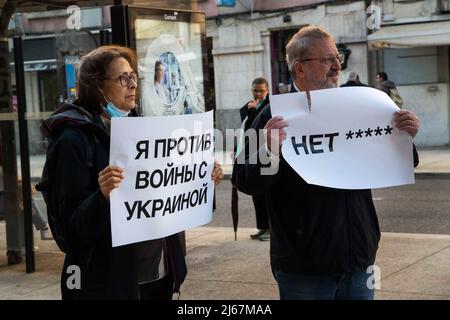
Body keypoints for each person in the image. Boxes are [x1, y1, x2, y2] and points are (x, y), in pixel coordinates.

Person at [232, 25, 420, 300]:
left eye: (337, 58)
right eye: (326, 60)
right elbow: (244, 179)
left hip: (359, 259)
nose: (336, 66)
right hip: (304, 269)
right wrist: (269, 150)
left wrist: (406, 137)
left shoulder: (359, 105)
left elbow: (398, 163)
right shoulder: (269, 115)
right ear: (300, 69)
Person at [40, 45, 224, 300]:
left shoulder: (142, 127)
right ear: (97, 87)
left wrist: (201, 175)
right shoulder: (73, 140)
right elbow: (70, 230)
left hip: (159, 274)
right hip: (110, 282)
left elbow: (166, 189)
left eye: (133, 77)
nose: (132, 85)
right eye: (123, 78)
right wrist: (102, 196)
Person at [238, 77, 270, 241]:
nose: (258, 94)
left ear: (267, 91)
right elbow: (244, 127)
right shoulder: (250, 105)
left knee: (265, 193)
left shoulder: (269, 106)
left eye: (261, 91)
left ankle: (270, 228)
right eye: (255, 90)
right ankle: (262, 226)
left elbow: (257, 126)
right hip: (250, 153)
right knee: (256, 193)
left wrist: (253, 112)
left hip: (265, 154)